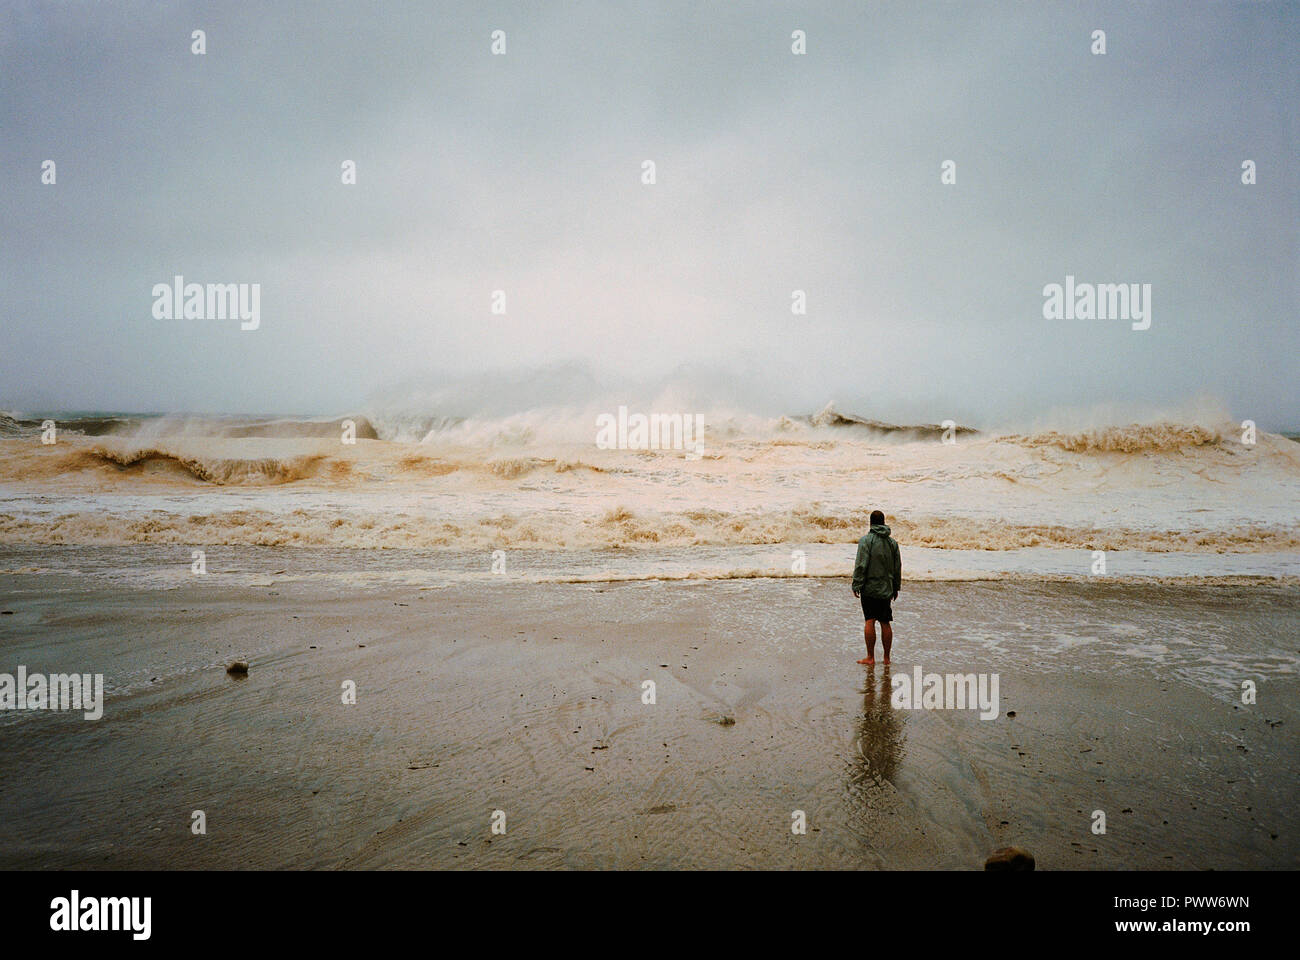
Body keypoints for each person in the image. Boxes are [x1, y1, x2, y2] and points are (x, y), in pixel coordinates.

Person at [851, 510, 901, 665]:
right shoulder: (892, 543)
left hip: (869, 587)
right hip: (886, 588)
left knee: (870, 620)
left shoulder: (866, 541)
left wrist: (856, 583)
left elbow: (861, 564)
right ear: (884, 522)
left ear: (871, 523)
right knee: (885, 622)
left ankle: (870, 657)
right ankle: (886, 658)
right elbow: (897, 567)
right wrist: (896, 587)